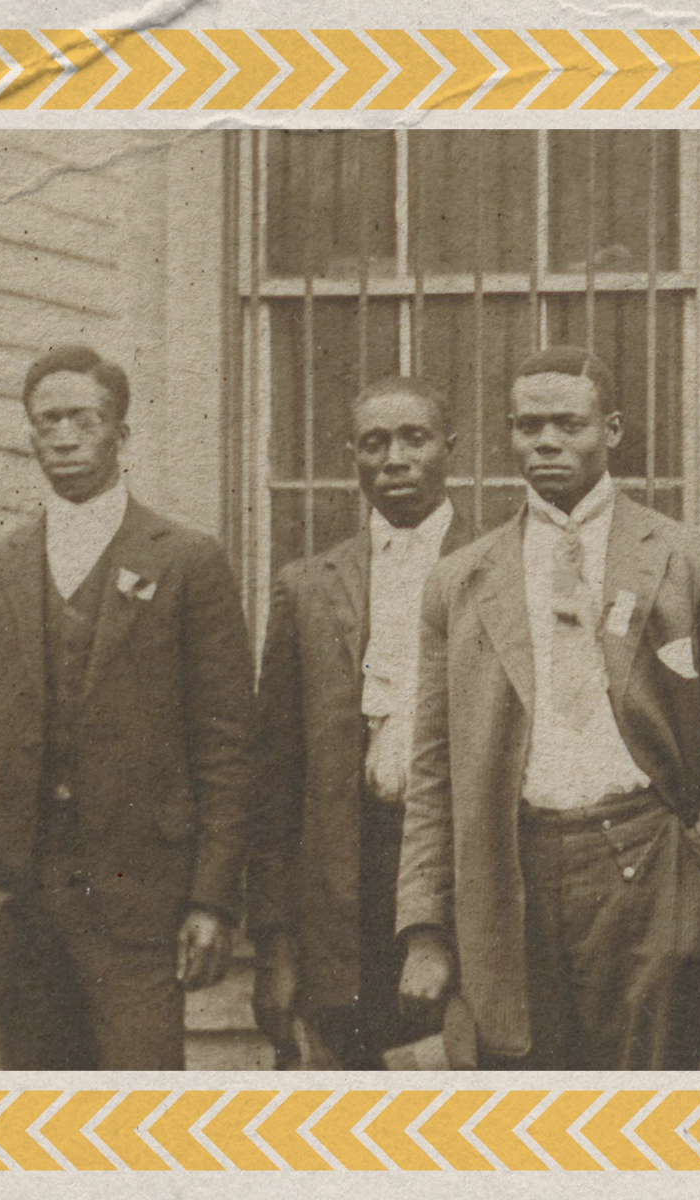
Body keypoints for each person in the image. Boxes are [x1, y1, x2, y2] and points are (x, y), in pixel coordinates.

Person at [394, 347, 700, 1070]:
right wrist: (425, 924)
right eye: (529, 427)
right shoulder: (460, 581)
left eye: (569, 423)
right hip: (512, 868)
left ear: (612, 429)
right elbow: (433, 767)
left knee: (644, 1100)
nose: (547, 442)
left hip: (648, 861)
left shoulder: (691, 559)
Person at [0, 345, 249, 1069]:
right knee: (38, 1106)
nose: (64, 436)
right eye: (47, 422)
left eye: (83, 418)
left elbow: (226, 746)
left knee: (139, 1102)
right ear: (30, 436)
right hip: (13, 899)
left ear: (120, 435)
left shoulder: (189, 560)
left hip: (140, 900)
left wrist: (211, 900)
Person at [247, 376, 477, 1069]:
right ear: (352, 455)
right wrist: (277, 944)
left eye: (415, 439)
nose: (394, 459)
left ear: (450, 448)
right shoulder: (307, 586)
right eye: (374, 443)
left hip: (462, 879)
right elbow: (274, 779)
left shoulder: (498, 566)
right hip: (345, 890)